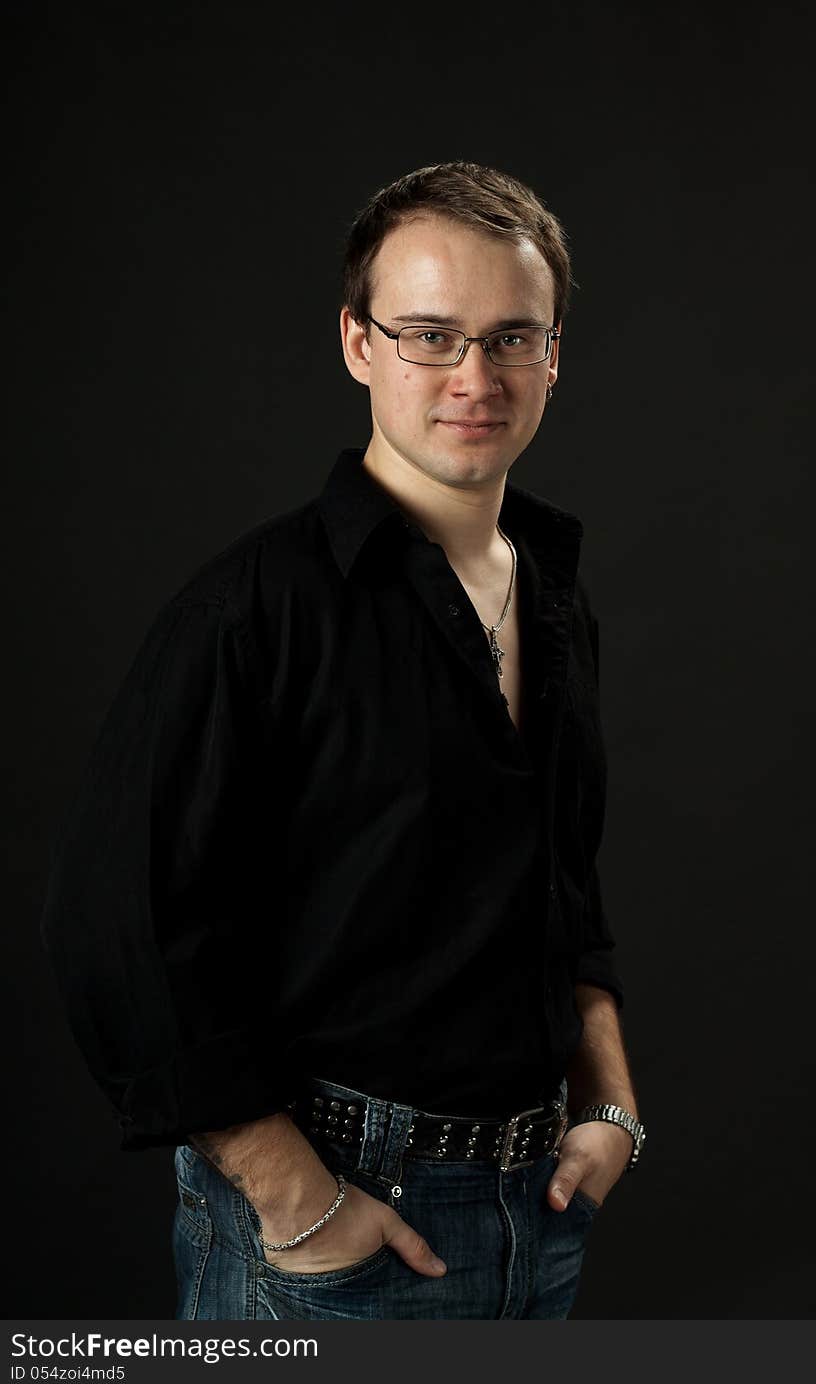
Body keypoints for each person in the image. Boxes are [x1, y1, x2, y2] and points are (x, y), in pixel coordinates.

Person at [40, 160, 645, 1320]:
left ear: (555, 353)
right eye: (430, 335)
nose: (475, 376)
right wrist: (297, 1202)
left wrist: (609, 1102)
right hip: (340, 1226)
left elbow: (566, 893)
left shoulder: (558, 599)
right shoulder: (251, 611)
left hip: (539, 1216)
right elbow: (110, 925)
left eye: (512, 337)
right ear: (358, 344)